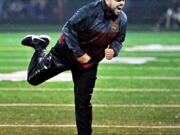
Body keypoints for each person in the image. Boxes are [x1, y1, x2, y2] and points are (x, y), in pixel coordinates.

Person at [21, 0, 127, 134]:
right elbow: (68, 28)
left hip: (88, 64)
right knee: (33, 79)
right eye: (118, 0)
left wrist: (114, 49)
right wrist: (79, 53)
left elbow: (119, 39)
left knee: (83, 103)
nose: (122, 3)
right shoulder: (89, 11)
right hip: (64, 54)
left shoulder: (122, 19)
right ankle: (40, 46)